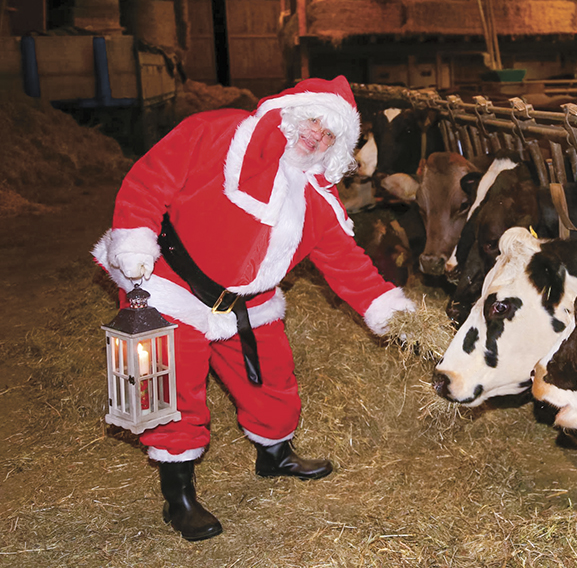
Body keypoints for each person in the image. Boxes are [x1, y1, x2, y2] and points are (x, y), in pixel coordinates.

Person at [93, 76, 415, 541]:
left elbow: (347, 263)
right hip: (171, 283)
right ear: (290, 111)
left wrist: (389, 307)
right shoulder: (216, 132)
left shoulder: (315, 199)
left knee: (272, 375)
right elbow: (151, 177)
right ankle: (179, 497)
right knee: (174, 389)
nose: (316, 136)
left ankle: (275, 453)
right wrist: (133, 235)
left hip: (247, 301)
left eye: (330, 134)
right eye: (313, 122)